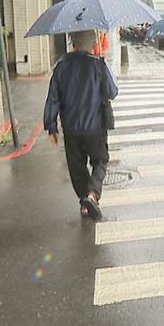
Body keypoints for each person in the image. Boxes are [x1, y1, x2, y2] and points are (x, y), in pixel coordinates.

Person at [43, 29, 118, 220]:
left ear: (72, 41)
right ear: (94, 43)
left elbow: (53, 98)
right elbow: (112, 91)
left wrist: (51, 126)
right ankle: (92, 195)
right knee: (100, 160)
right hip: (95, 126)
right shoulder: (98, 65)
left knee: (77, 167)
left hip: (71, 128)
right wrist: (101, 63)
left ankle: (84, 202)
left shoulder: (61, 67)